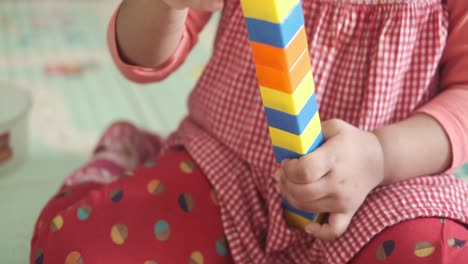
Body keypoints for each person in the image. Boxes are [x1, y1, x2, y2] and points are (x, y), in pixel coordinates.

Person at [30, 0, 468, 263]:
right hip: (223, 168)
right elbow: (143, 57)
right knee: (77, 247)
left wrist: (380, 157)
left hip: (382, 191)